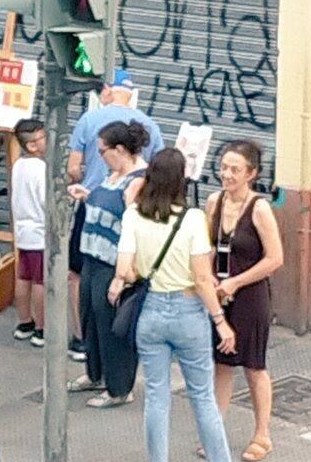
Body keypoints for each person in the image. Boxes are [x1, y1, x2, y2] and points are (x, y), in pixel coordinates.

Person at [109, 148, 235, 462]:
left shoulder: (133, 216)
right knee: (203, 398)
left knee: (156, 397)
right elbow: (203, 279)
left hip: (150, 312)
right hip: (188, 312)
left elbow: (125, 270)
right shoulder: (193, 219)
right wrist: (220, 321)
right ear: (181, 180)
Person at [66, 69, 165, 359]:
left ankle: (82, 339)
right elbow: (159, 169)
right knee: (122, 276)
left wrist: (84, 184)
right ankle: (120, 336)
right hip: (128, 217)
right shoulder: (150, 125)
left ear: (106, 91)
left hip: (93, 209)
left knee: (79, 275)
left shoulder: (88, 120)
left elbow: (74, 167)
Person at [205, 140, 283, 462]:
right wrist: (208, 278)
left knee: (253, 365)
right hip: (220, 293)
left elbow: (275, 258)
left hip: (250, 295)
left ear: (251, 173)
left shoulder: (259, 208)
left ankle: (262, 433)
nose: (227, 174)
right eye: (224, 167)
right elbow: (209, 246)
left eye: (235, 169)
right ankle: (215, 430)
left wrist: (236, 282)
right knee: (221, 363)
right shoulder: (214, 201)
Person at [67, 120, 148, 408]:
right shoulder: (112, 174)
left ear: (120, 149)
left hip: (113, 263)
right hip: (92, 255)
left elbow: (137, 224)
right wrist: (87, 196)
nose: (98, 157)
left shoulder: (138, 180)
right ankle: (95, 373)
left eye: (102, 151)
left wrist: (123, 275)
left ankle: (119, 387)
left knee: (110, 324)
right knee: (89, 318)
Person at [11, 119, 47, 346]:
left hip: (23, 230)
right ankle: (41, 328)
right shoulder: (40, 169)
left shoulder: (19, 165)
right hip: (40, 232)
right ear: (32, 144)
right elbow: (45, 202)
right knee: (40, 281)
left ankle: (24, 321)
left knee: (23, 277)